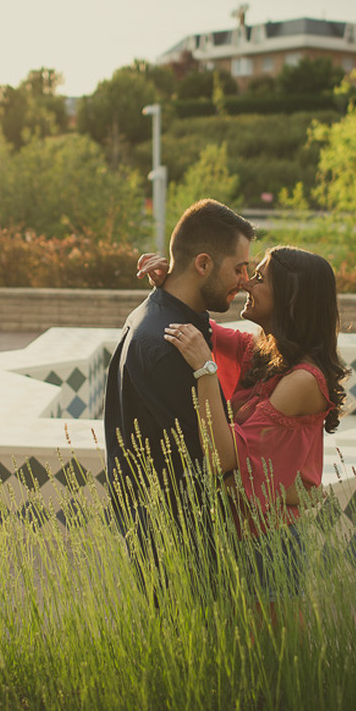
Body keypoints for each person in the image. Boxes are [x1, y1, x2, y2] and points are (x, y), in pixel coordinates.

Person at [158, 245, 349, 604]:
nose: (246, 283)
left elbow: (222, 458)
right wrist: (169, 281)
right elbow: (201, 328)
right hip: (235, 536)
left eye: (259, 277)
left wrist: (205, 371)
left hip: (267, 547)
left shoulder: (303, 381)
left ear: (291, 299)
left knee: (267, 656)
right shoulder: (263, 351)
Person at [103, 198, 254, 591]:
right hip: (180, 551)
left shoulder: (173, 318)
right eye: (238, 268)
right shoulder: (168, 344)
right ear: (203, 264)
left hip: (176, 539)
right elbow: (215, 457)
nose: (244, 280)